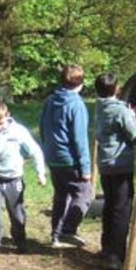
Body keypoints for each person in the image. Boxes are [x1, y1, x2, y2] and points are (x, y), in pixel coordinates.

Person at [0, 99, 47, 254]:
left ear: (7, 115)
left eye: (1, 123)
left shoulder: (18, 131)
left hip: (14, 178)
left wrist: (40, 173)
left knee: (17, 214)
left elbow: (35, 151)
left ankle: (20, 241)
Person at [39, 64, 93, 248]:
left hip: (53, 156)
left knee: (61, 195)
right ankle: (68, 230)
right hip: (69, 158)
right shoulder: (76, 104)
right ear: (81, 83)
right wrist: (85, 168)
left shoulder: (50, 100)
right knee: (84, 193)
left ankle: (56, 235)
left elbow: (42, 127)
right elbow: (80, 139)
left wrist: (48, 150)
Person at [94, 72, 136, 270]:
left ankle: (107, 248)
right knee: (121, 209)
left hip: (105, 164)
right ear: (116, 89)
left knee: (110, 205)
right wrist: (134, 117)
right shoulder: (120, 110)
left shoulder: (100, 107)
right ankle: (115, 255)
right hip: (120, 165)